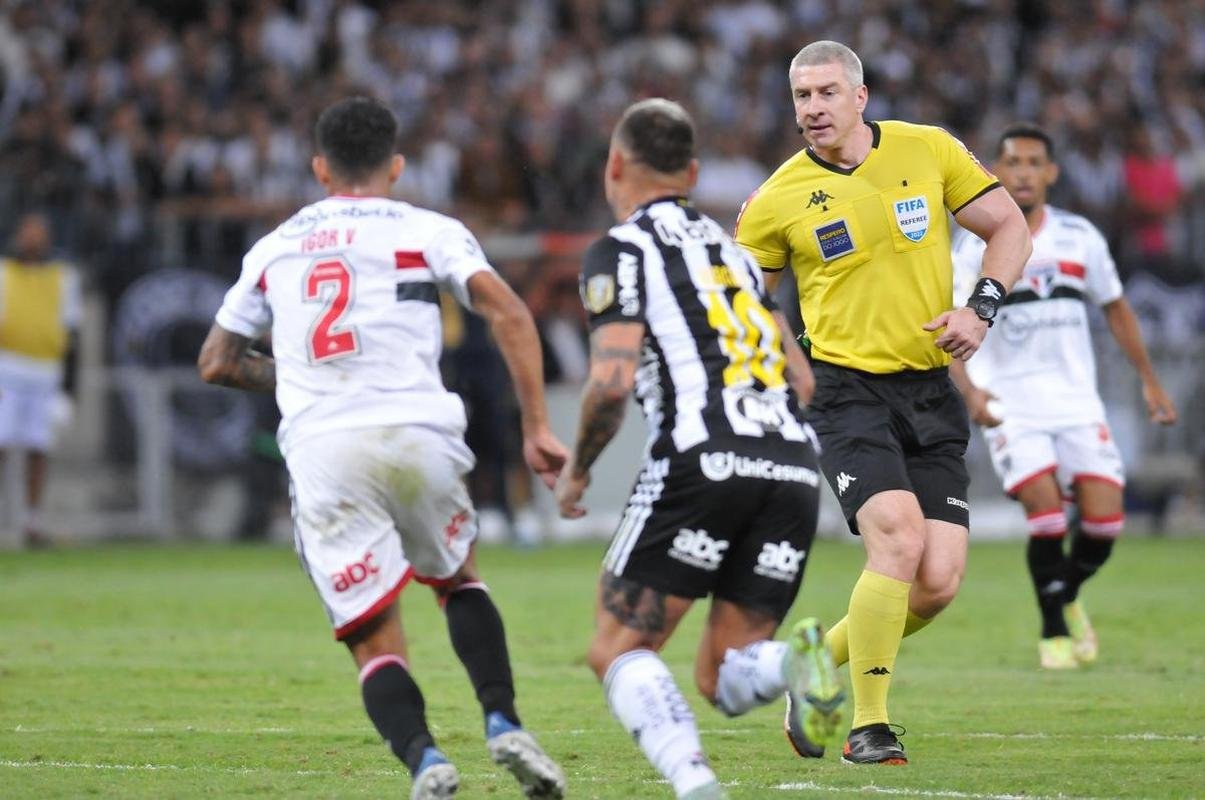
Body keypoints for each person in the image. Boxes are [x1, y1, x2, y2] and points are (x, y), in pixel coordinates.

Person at [197, 96, 567, 800]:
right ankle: (502, 720)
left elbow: (216, 360)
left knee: (371, 629)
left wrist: (297, 376)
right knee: (458, 578)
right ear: (396, 166)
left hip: (325, 443)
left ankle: (426, 761)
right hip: (418, 427)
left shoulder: (276, 245)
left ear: (318, 167)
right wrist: (537, 427)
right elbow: (509, 312)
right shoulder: (428, 228)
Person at [735, 41, 1031, 765]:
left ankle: (811, 666)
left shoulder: (926, 150)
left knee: (935, 583)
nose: (812, 109)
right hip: (845, 393)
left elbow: (1008, 227)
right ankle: (867, 726)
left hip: (930, 388)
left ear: (860, 97)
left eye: (826, 93)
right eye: (801, 96)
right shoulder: (775, 199)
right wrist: (787, 364)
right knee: (895, 540)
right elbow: (742, 297)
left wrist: (979, 309)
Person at [554, 98, 844, 800]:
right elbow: (800, 377)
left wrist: (577, 468)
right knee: (724, 673)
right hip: (790, 465)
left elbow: (612, 380)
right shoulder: (735, 256)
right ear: (690, 172)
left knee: (616, 649)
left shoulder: (618, 250)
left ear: (613, 166)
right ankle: (790, 668)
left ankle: (692, 783)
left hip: (702, 458)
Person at [950, 123, 1178, 669]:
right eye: (1013, 163)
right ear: (997, 173)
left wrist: (1148, 379)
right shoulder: (973, 244)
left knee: (1103, 524)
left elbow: (1116, 307)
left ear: (1050, 172)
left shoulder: (1080, 236)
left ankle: (1066, 593)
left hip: (1077, 402)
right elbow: (951, 324)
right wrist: (971, 392)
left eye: (1034, 163)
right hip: (1011, 403)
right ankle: (1053, 631)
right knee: (1047, 516)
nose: (1023, 173)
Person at [0, 213, 80, 548]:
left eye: (39, 233)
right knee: (1, 446)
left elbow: (73, 335)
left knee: (38, 448)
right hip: (8, 368)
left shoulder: (63, 277)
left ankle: (32, 522)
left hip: (46, 373)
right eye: (27, 232)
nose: (33, 239)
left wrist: (69, 390)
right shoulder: (4, 273)